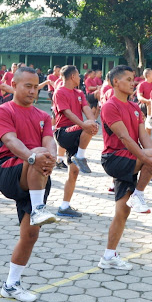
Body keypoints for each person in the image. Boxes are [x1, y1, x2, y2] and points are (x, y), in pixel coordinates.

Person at [0, 66, 57, 302]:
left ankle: (11, 284)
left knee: (30, 235)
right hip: (8, 169)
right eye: (27, 86)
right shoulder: (2, 111)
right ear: (14, 85)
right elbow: (9, 140)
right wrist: (34, 156)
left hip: (38, 174)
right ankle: (39, 209)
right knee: (38, 153)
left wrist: (52, 158)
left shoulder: (44, 116)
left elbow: (50, 140)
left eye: (35, 86)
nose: (32, 91)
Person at [100, 65, 152, 269]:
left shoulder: (135, 107)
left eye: (133, 78)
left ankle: (108, 256)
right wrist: (148, 159)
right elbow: (124, 138)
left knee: (122, 211)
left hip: (129, 157)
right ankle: (139, 194)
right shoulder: (110, 106)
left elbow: (143, 135)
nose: (132, 82)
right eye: (128, 79)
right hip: (114, 159)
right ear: (115, 82)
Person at [52, 65, 98, 217]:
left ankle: (64, 207)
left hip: (76, 132)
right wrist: (85, 124)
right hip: (64, 132)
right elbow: (67, 112)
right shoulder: (60, 91)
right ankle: (80, 156)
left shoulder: (79, 92)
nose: (80, 78)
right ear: (72, 76)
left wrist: (93, 122)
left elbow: (86, 109)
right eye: (79, 75)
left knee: (73, 172)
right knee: (88, 127)